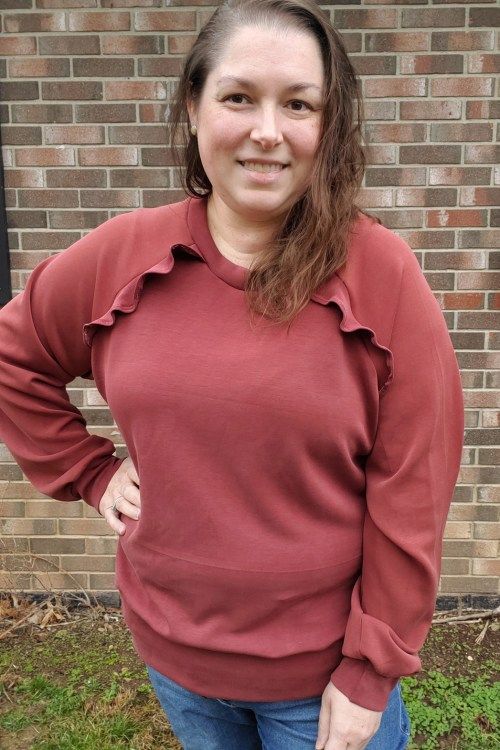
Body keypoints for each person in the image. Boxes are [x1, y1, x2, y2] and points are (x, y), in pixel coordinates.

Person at [0, 0, 464, 748]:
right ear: (194, 105)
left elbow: (414, 485)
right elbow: (12, 355)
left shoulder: (382, 276)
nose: (267, 131)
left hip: (319, 687)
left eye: (299, 104)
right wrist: (86, 471)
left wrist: (370, 671)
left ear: (329, 125)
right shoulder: (124, 255)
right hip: (177, 665)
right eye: (239, 97)